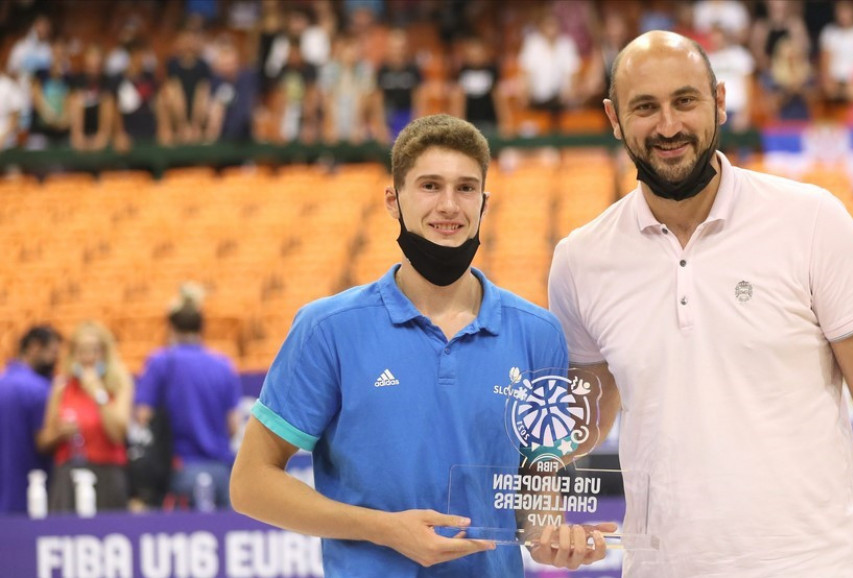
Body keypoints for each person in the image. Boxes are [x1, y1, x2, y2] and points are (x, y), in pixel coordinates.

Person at [548, 31, 853, 577]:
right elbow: (580, 420)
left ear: (721, 102)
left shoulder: (811, 221)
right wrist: (534, 513)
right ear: (614, 118)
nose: (668, 126)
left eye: (685, 101)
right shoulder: (580, 260)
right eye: (645, 107)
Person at [231, 114, 612, 576]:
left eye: (466, 188)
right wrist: (384, 529)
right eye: (430, 186)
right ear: (394, 199)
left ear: (483, 201)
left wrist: (550, 538)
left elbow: (536, 480)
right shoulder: (328, 328)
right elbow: (251, 484)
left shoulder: (538, 333)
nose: (449, 205)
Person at [135, 285, 241, 510]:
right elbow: (233, 425)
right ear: (202, 327)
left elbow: (144, 416)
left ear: (170, 327)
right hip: (222, 471)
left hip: (179, 469)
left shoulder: (160, 362)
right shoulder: (223, 365)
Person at [39, 321, 134, 513]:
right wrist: (60, 432)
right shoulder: (61, 387)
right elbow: (44, 440)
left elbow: (119, 434)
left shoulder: (119, 384)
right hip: (69, 475)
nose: (88, 358)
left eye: (94, 351)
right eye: (81, 351)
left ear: (105, 353)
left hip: (108, 475)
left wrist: (98, 394)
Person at [0, 325, 62, 515]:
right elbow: (44, 440)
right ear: (35, 347)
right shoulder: (40, 389)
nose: (56, 361)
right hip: (29, 489)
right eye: (52, 353)